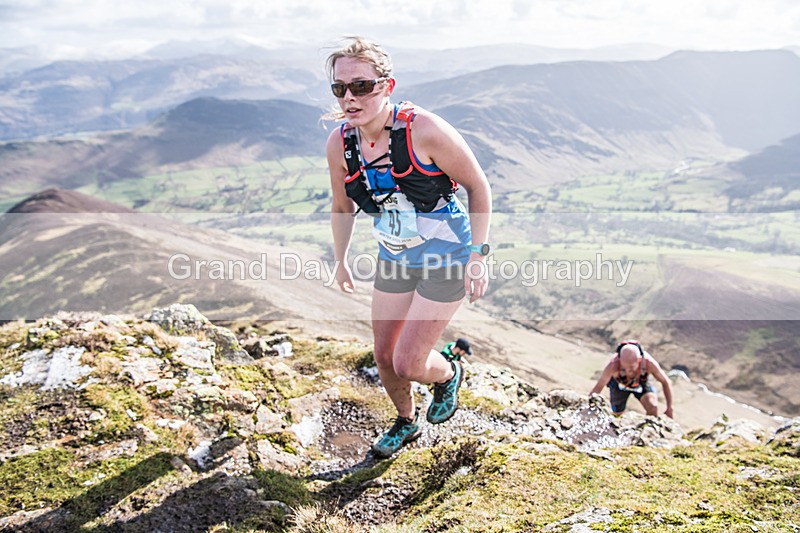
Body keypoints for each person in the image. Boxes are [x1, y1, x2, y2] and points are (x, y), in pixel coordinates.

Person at [324, 37, 492, 458]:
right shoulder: (341, 143)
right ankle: (406, 422)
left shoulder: (425, 130)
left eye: (361, 86)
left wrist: (478, 255)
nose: (349, 97)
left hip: (447, 256)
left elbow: (478, 186)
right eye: (339, 88)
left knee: (409, 362)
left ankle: (449, 371)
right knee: (383, 354)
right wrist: (340, 260)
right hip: (395, 255)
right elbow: (342, 205)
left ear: (387, 85)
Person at [589, 340, 674, 419]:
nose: (628, 371)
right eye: (624, 367)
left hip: (641, 383)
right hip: (619, 385)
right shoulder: (613, 365)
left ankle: (650, 430)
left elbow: (666, 382)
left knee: (653, 407)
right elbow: (598, 388)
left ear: (639, 360)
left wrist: (669, 407)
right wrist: (586, 406)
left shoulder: (648, 363)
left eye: (631, 367)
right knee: (616, 415)